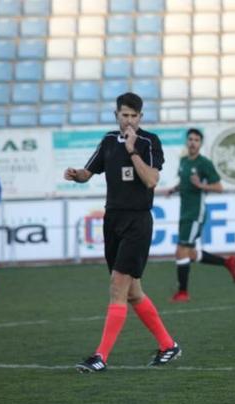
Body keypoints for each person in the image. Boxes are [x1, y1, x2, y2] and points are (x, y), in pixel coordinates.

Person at [64, 93, 181, 373]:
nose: (128, 120)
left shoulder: (148, 142)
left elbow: (151, 180)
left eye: (133, 115)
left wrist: (132, 150)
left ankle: (100, 356)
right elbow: (88, 173)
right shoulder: (107, 141)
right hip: (112, 220)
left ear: (140, 117)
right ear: (116, 114)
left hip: (138, 222)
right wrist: (76, 174)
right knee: (133, 292)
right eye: (124, 115)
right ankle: (168, 345)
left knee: (118, 286)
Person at [166, 128, 235, 303]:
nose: (192, 142)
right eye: (190, 139)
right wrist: (173, 189)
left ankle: (183, 292)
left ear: (200, 144)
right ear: (186, 141)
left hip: (195, 213)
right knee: (189, 253)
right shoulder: (183, 161)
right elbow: (184, 182)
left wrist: (201, 186)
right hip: (184, 212)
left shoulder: (204, 163)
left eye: (196, 140)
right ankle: (227, 262)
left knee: (181, 251)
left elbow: (219, 188)